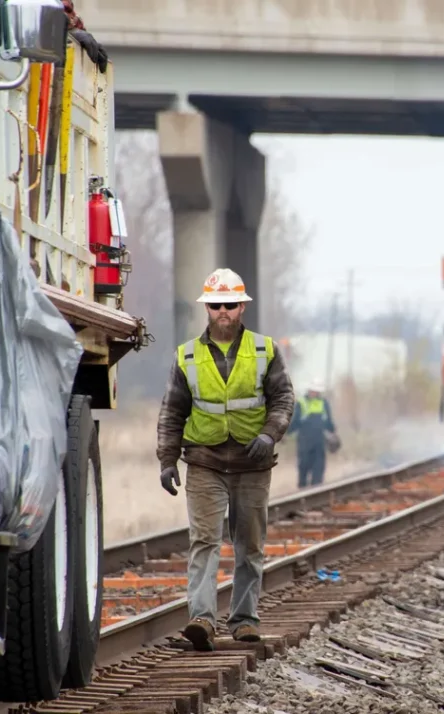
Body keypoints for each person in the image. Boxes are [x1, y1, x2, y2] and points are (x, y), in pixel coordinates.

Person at [155, 268, 295, 651]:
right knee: (204, 540)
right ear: (207, 308)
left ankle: (244, 620)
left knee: (249, 545)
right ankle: (202, 618)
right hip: (205, 462)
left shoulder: (266, 350)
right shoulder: (186, 356)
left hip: (253, 464)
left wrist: (269, 435)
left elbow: (283, 399)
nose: (222, 311)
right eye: (215, 305)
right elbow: (172, 412)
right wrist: (167, 460)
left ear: (242, 307)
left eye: (229, 304)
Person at [288, 381, 337, 488]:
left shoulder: (324, 403)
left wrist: (333, 433)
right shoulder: (301, 403)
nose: (314, 393)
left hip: (319, 442)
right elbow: (295, 422)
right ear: (309, 390)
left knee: (318, 470)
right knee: (303, 468)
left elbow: (329, 422)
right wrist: (285, 433)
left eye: (317, 391)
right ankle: (302, 491)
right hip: (304, 443)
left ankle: (316, 493)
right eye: (313, 390)